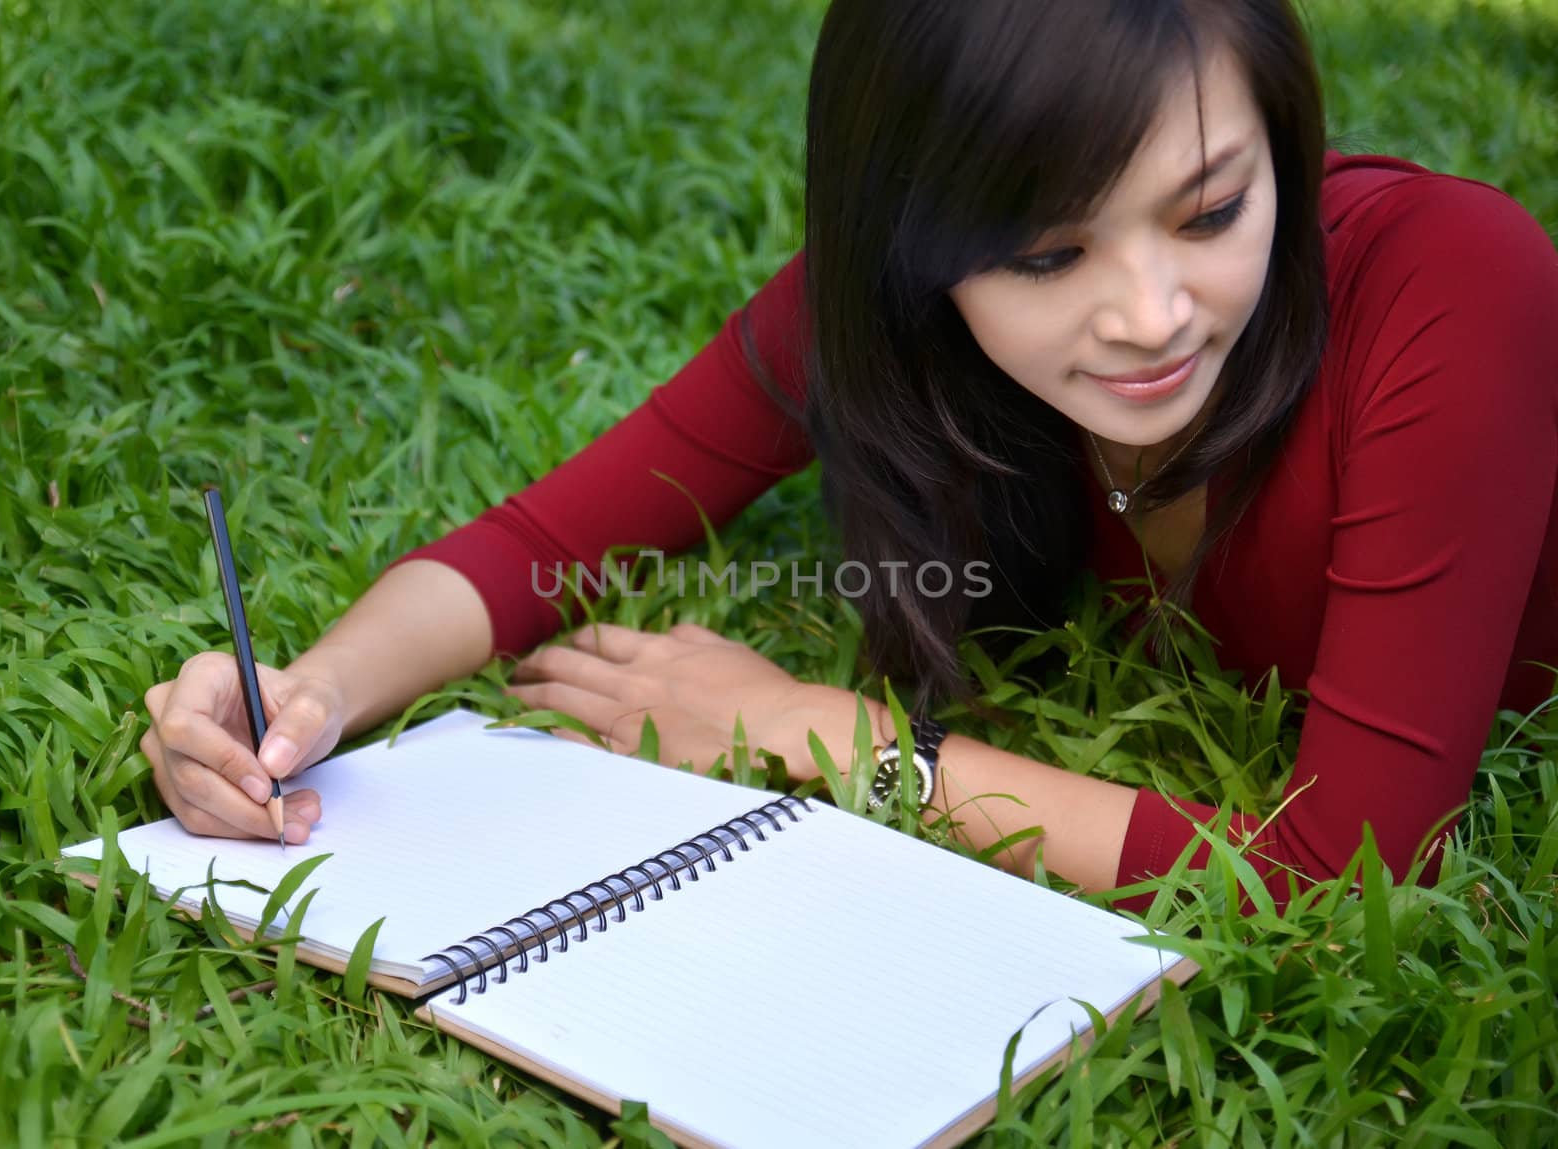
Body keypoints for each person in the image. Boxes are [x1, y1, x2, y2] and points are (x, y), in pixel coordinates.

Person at [140, 0, 1558, 915]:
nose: (1147, 316)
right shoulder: (890, 311)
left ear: (1281, 145)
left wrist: (838, 740)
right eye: (1048, 251)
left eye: (1209, 212)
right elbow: (541, 544)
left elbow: (1349, 869)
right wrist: (307, 696)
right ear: (920, 242)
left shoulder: (1450, 284)